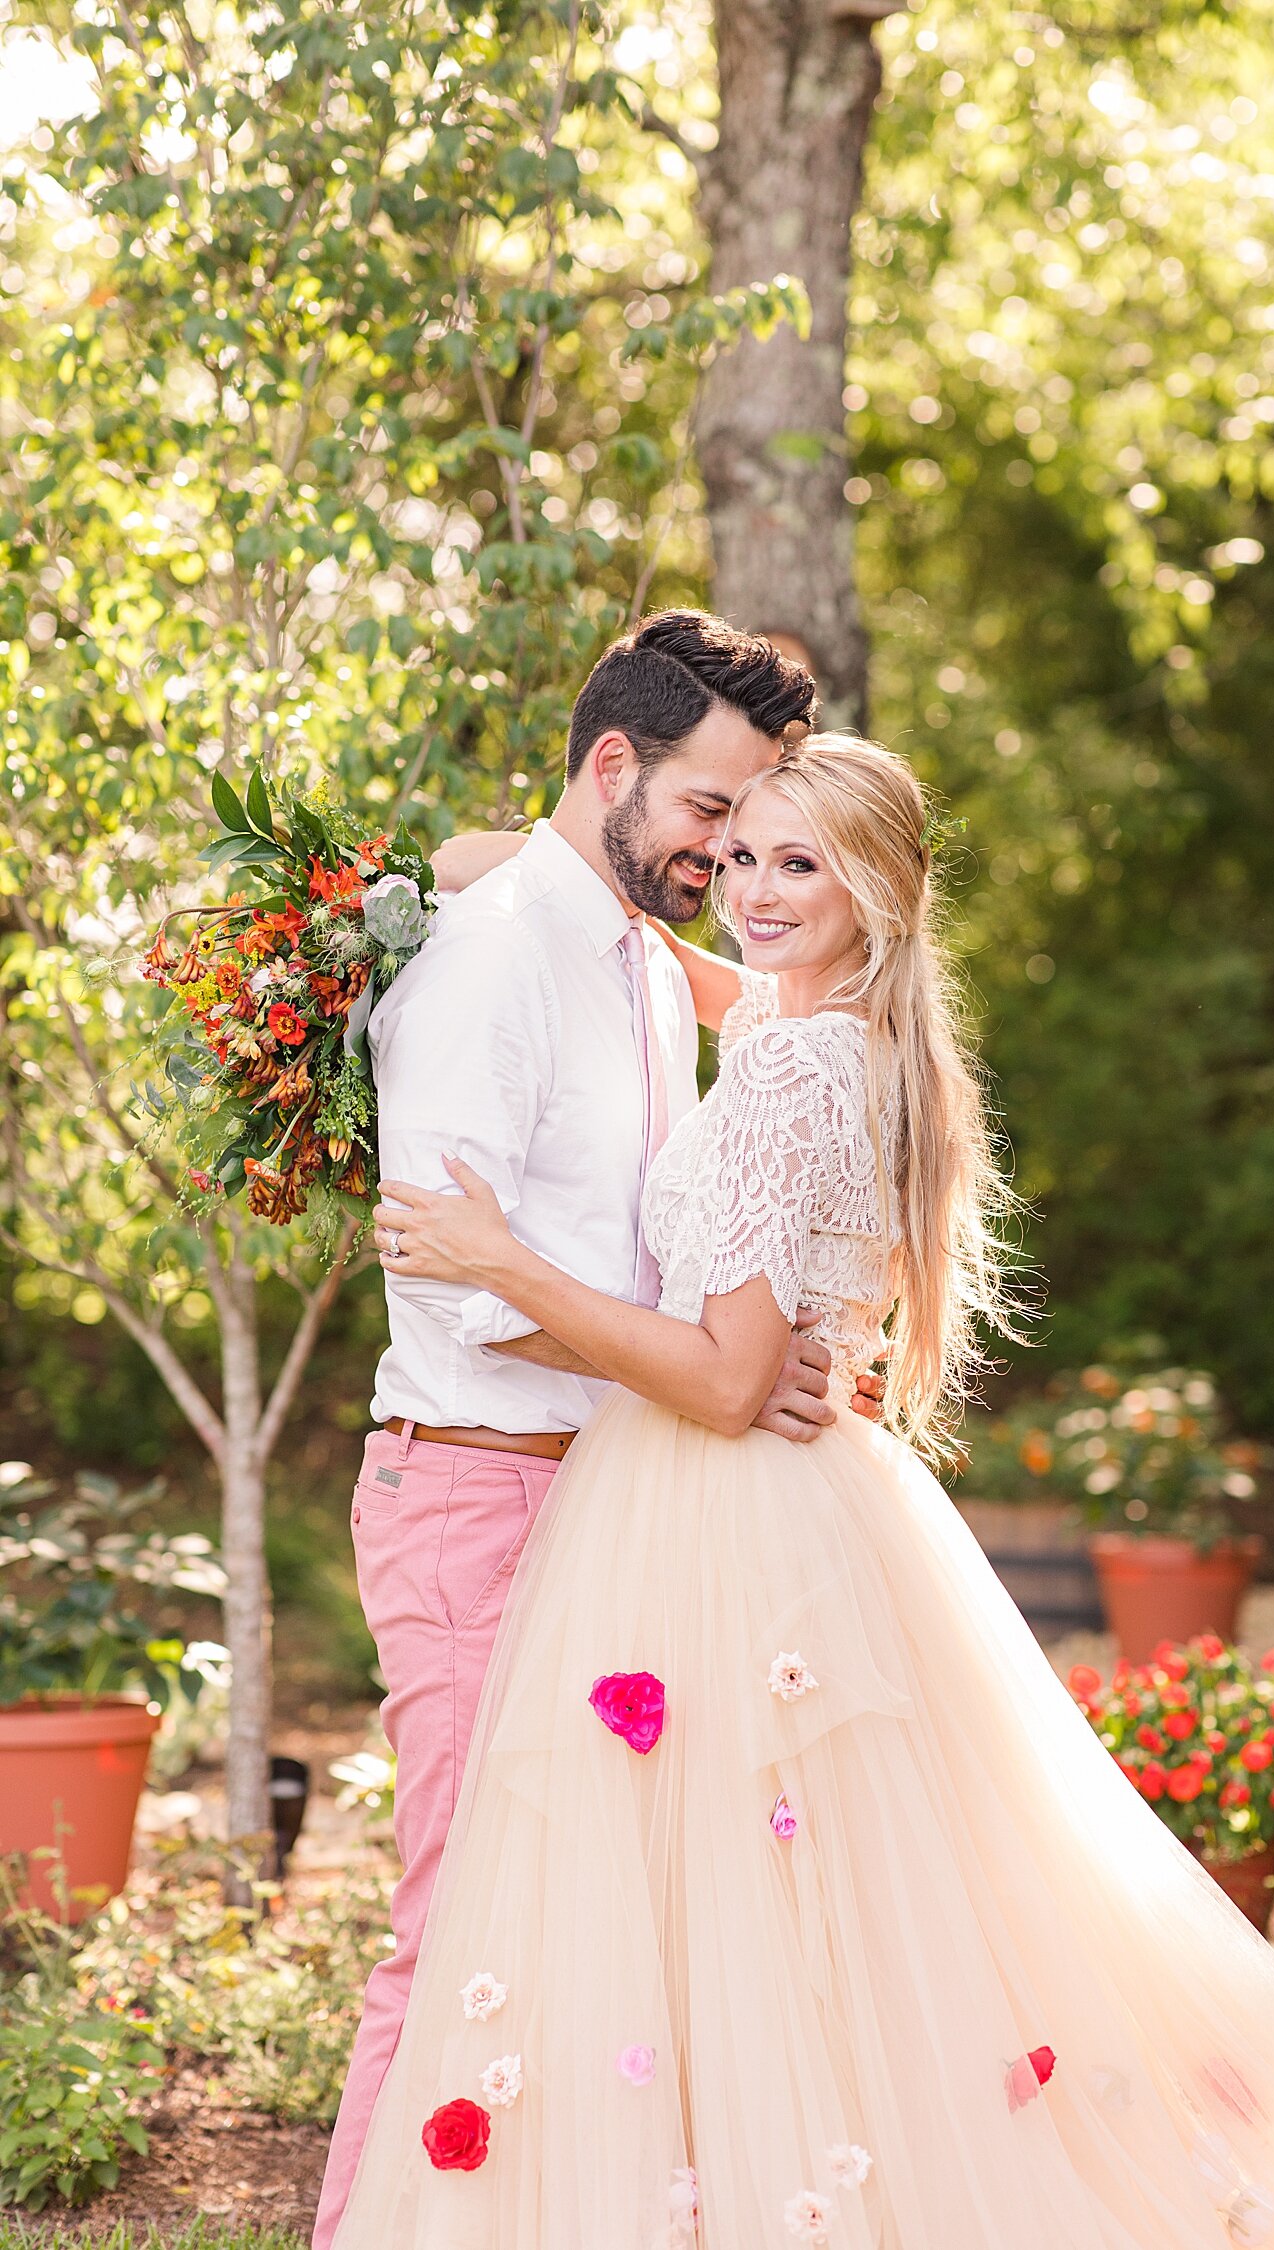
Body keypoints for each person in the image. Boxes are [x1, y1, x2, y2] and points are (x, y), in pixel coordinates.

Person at [338, 734, 1274, 2249]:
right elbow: (633, 928)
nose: (748, 892)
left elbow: (722, 1378)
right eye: (740, 851)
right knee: (802, 1910)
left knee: (735, 1903)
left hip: (716, 1506)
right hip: (775, 1507)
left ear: (875, 892)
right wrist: (464, 875)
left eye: (795, 864)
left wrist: (504, 1265)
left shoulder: (799, 1078)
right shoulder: (818, 1025)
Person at [314, 611, 886, 2250]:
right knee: (461, 1918)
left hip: (616, 1510)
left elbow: (657, 1237)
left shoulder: (635, 946)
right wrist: (709, 1371)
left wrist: (738, 1355)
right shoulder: (496, 957)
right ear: (618, 766)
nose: (731, 853)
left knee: (601, 1939)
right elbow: (466, 1284)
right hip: (479, 1497)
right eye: (714, 811)